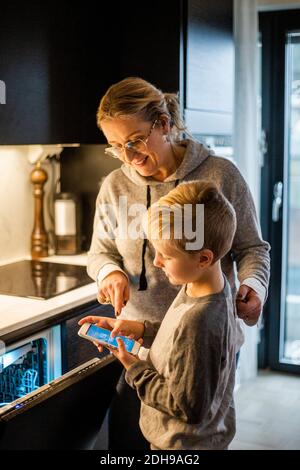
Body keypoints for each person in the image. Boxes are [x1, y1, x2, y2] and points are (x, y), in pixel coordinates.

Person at [86, 77, 270, 449]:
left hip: (206, 336)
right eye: (116, 147)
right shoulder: (114, 187)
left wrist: (254, 286)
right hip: (142, 340)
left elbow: (252, 248)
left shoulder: (219, 175)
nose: (129, 156)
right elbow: (99, 252)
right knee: (136, 440)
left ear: (164, 124)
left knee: (191, 436)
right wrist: (112, 272)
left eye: (135, 141)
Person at [81, 181, 238, 450]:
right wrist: (140, 329)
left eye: (165, 255)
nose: (156, 262)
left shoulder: (200, 320)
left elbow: (186, 406)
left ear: (203, 258)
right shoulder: (206, 285)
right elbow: (181, 338)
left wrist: (133, 367)